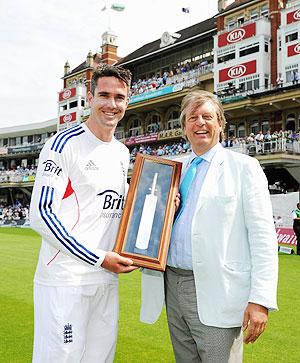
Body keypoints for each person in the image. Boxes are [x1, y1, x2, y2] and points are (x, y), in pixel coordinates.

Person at [140, 89, 278, 362]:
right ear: (184, 128)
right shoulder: (170, 169)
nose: (200, 123)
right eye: (192, 118)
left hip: (218, 289)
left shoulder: (244, 167)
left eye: (207, 117)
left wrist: (260, 300)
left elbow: (263, 237)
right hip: (171, 282)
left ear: (220, 124)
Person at [30, 64, 137, 363]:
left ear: (127, 102)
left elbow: (122, 205)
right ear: (90, 97)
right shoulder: (63, 144)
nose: (111, 104)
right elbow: (41, 213)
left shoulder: (121, 153)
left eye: (119, 97)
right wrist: (99, 258)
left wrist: (164, 204)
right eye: (103, 95)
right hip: (66, 280)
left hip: (105, 281)